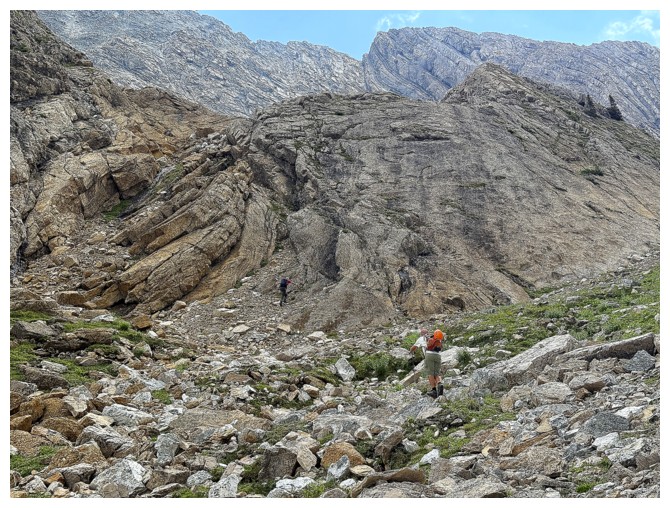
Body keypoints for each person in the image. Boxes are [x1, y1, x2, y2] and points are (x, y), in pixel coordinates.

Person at [410, 328, 444, 398]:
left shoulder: (421, 338)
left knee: (430, 373)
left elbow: (413, 347)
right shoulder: (436, 338)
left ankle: (434, 390)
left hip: (429, 355)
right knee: (437, 373)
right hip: (438, 356)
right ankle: (439, 383)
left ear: (421, 334)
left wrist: (411, 351)